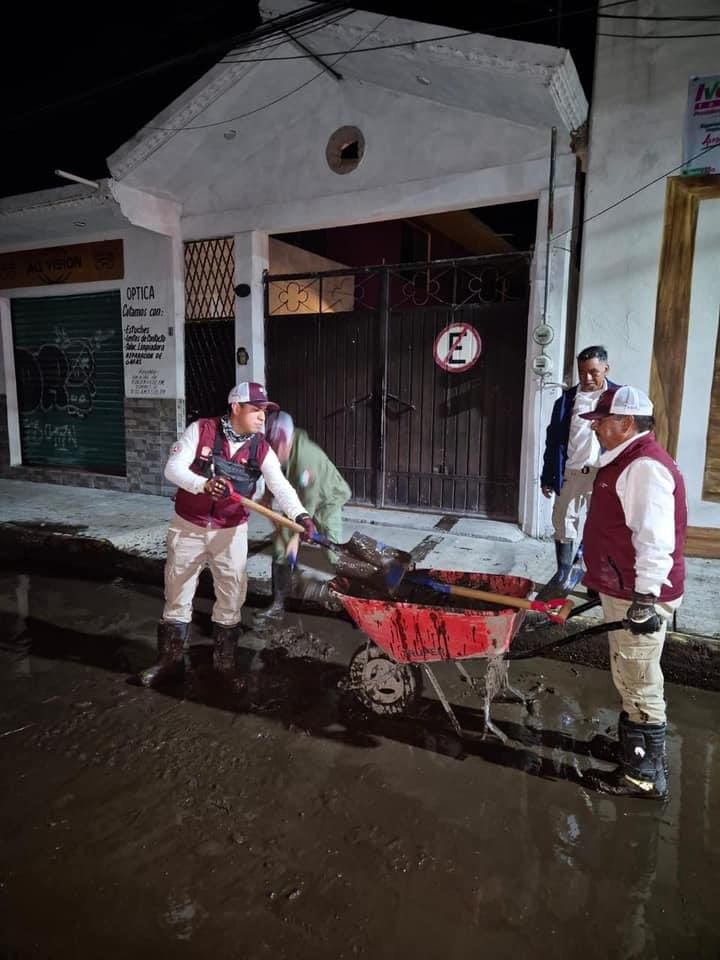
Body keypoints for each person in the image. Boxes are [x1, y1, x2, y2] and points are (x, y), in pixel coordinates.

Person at [139, 382, 317, 687]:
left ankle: (224, 665)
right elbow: (172, 469)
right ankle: (167, 661)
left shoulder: (260, 448)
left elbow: (280, 485)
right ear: (236, 407)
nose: (262, 417)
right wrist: (203, 485)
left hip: (231, 533)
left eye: (265, 411)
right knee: (177, 595)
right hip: (189, 527)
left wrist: (300, 515)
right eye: (256, 410)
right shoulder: (202, 430)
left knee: (232, 597)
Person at [579, 385, 687, 799]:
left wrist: (644, 600)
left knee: (639, 680)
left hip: (638, 594)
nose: (597, 429)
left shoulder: (643, 467)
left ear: (625, 423)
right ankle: (633, 749)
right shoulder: (630, 460)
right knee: (629, 673)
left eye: (602, 422)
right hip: (623, 587)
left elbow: (654, 540)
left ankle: (642, 776)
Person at [253, 410, 352, 626]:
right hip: (300, 498)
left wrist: (296, 540)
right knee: (280, 545)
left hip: (327, 499)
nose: (270, 451)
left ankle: (354, 602)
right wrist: (268, 497)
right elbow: (275, 475)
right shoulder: (282, 447)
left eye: (273, 446)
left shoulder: (307, 458)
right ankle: (278, 605)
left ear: (284, 440)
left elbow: (307, 509)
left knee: (333, 552)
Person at [541, 345, 618, 587]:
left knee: (601, 526)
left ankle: (595, 579)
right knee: (563, 522)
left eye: (593, 372)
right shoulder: (566, 401)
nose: (586, 378)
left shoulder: (619, 398)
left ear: (606, 368)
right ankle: (564, 574)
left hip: (603, 473)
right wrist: (547, 476)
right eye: (581, 372)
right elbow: (553, 441)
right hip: (572, 473)